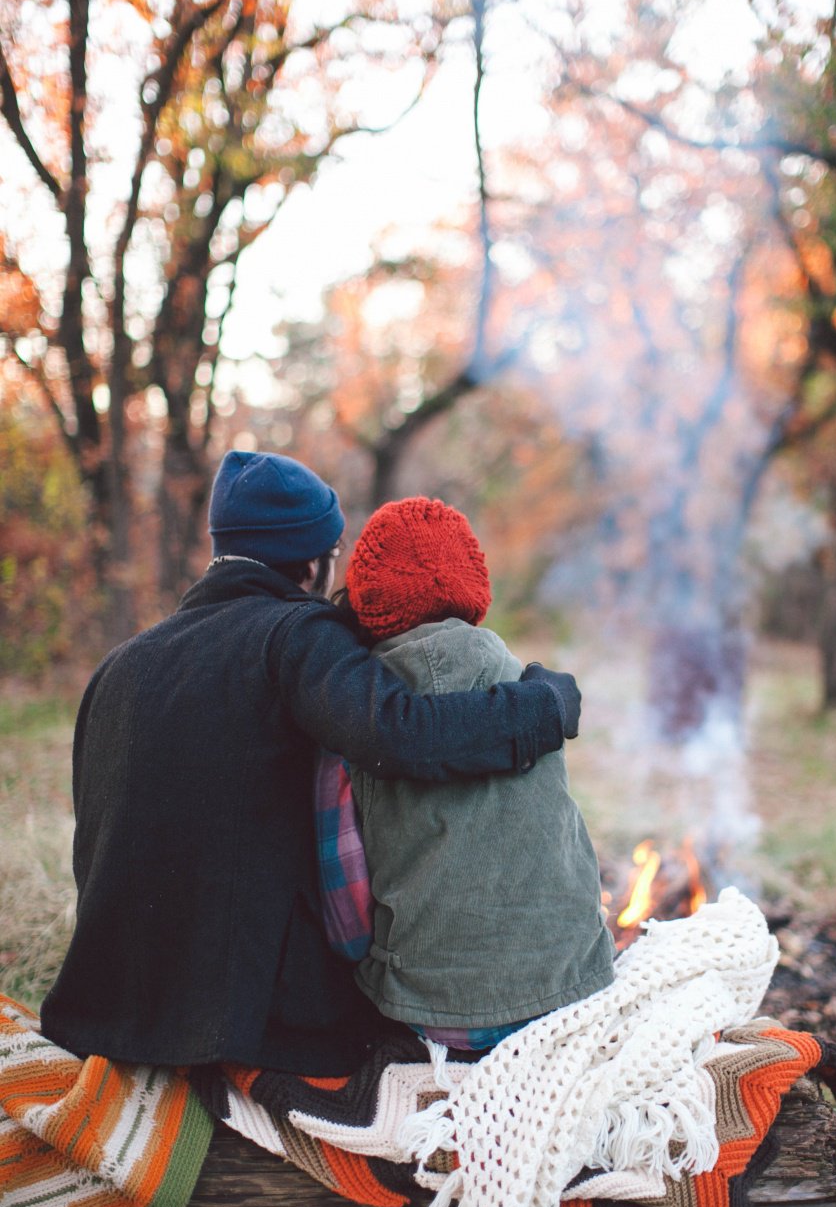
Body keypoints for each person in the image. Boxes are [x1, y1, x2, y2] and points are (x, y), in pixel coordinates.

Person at [39, 451, 581, 1077]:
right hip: (245, 1021)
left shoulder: (119, 667)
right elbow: (403, 733)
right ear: (312, 563)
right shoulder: (294, 637)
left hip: (112, 1005)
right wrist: (544, 705)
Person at [320, 496, 615, 1050]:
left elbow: (347, 914)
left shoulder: (353, 719)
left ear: (367, 599)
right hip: (575, 992)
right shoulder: (533, 695)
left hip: (438, 1012)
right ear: (471, 590)